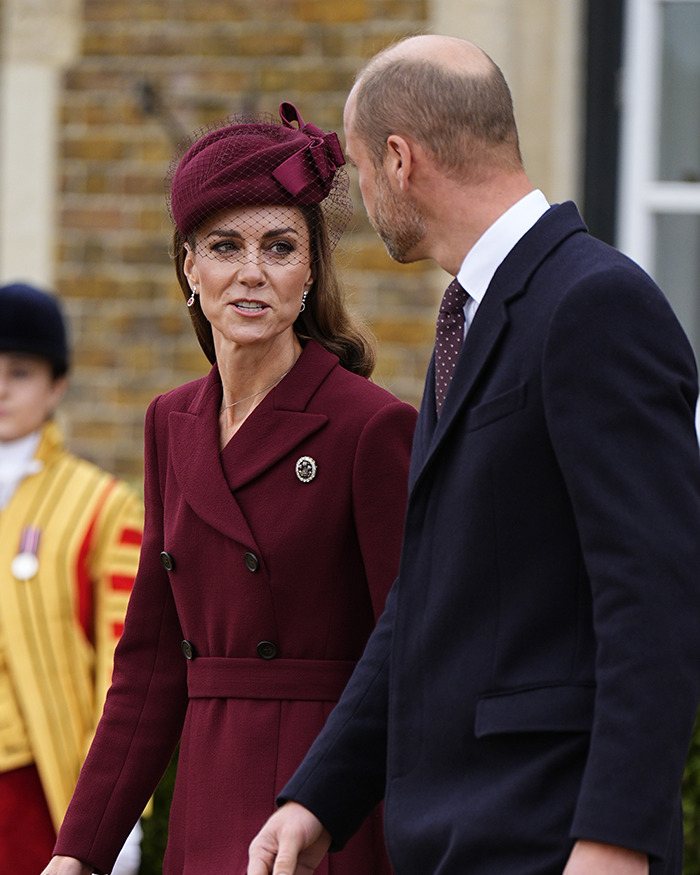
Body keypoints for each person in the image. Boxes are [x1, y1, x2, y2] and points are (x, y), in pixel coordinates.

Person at [246, 34, 700, 875]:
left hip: (555, 837)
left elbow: (656, 593)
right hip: (459, 838)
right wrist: (319, 796)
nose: (365, 197)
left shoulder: (596, 303)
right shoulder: (471, 316)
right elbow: (427, 590)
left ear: (399, 159)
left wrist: (616, 836)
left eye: (361, 169)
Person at [42, 102, 417, 875]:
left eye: (280, 247)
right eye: (224, 246)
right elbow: (148, 667)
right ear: (190, 267)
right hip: (206, 800)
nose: (252, 272)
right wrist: (77, 853)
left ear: (310, 270)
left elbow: (413, 648)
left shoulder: (370, 426)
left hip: (324, 811)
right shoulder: (170, 421)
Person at [0, 282, 144, 875]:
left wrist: (119, 810)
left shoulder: (104, 506)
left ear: (56, 386)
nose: (1, 387)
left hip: (33, 788)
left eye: (20, 372)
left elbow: (122, 666)